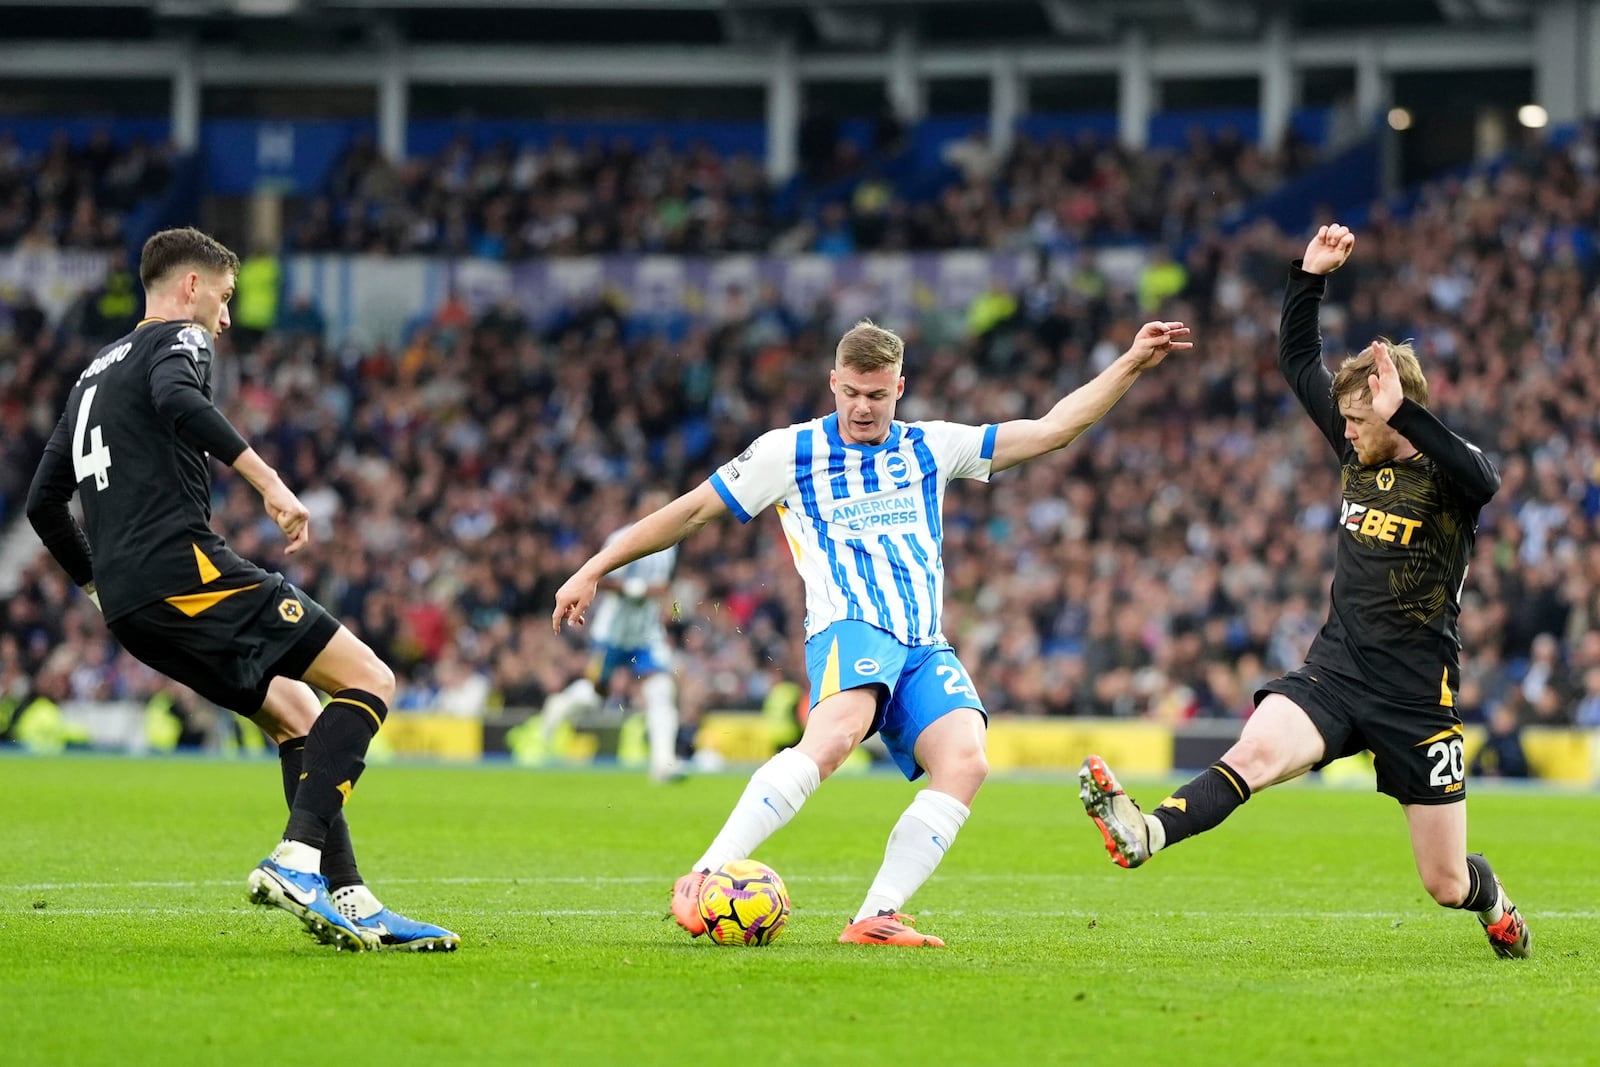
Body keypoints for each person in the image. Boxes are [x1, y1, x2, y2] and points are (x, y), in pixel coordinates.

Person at [555, 315, 1190, 947]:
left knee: (966, 761)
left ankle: (873, 916)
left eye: (878, 395)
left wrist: (1130, 361)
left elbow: (1052, 430)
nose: (863, 407)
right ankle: (704, 873)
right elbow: (692, 509)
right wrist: (594, 567)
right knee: (833, 738)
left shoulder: (932, 446)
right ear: (833, 383)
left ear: (900, 388)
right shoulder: (789, 450)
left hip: (922, 641)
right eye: (852, 393)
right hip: (851, 627)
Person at [1078, 223, 1531, 960]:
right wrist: (1308, 278)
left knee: (1446, 882)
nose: (1346, 431)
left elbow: (1488, 477)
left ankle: (1497, 902)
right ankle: (1145, 830)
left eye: (1360, 421)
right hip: (1335, 669)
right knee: (1254, 752)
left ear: (1396, 414)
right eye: (1346, 419)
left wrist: (1402, 415)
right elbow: (1296, 359)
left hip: (1416, 695)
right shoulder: (1358, 440)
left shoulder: (1448, 475)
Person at [25, 226, 457, 953]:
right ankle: (296, 858)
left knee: (297, 711)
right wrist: (269, 481)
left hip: (133, 603)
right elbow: (174, 398)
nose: (226, 319)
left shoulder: (92, 372)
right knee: (371, 677)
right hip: (185, 571)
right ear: (191, 286)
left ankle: (349, 896)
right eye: (224, 298)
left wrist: (100, 588)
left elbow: (43, 502)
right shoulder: (179, 341)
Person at [543, 489, 684, 782]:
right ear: (641, 510)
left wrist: (668, 607)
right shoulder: (621, 539)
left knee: (661, 690)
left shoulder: (670, 545)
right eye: (653, 507)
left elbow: (662, 588)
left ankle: (663, 763)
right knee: (596, 693)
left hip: (646, 634)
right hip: (612, 633)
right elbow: (597, 578)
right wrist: (638, 591)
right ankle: (557, 708)